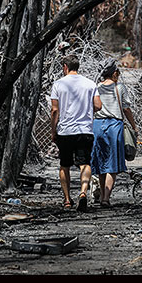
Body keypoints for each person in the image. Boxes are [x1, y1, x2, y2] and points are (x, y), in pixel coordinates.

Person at [50, 54, 102, 212]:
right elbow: (98, 106)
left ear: (65, 67)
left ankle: (66, 199)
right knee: (84, 163)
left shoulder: (58, 84)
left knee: (64, 165)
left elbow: (54, 110)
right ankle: (83, 192)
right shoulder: (90, 84)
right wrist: (86, 110)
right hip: (85, 130)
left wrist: (53, 130)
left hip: (65, 131)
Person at [90, 57, 138, 208]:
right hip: (114, 126)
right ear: (114, 73)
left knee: (101, 162)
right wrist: (134, 126)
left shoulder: (96, 87)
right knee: (113, 164)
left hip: (97, 126)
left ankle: (102, 194)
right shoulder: (120, 88)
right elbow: (126, 108)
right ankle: (106, 198)